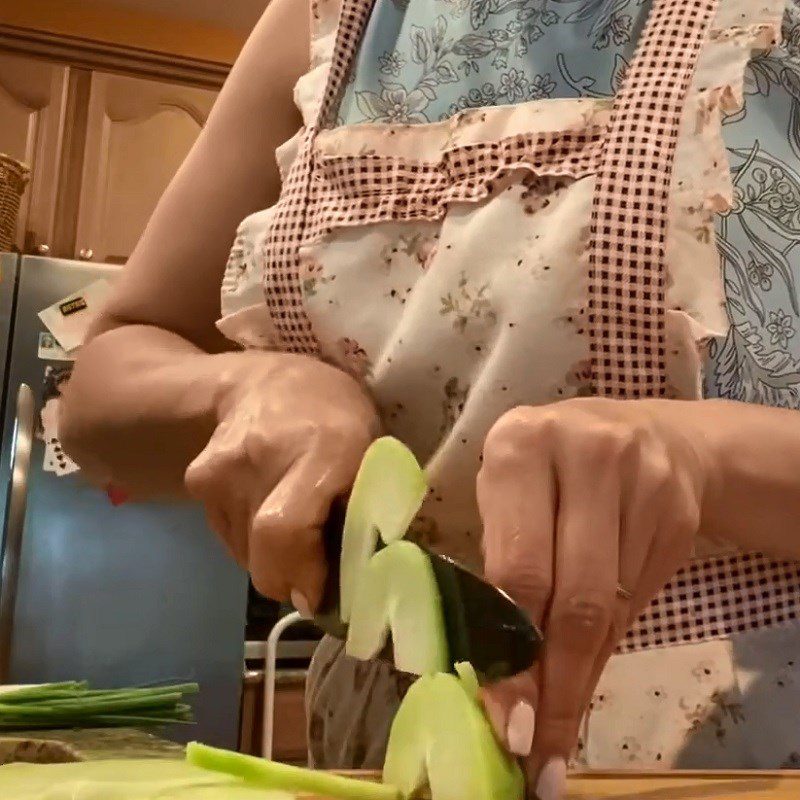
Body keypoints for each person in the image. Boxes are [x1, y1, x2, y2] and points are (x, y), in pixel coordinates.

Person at [60, 0, 800, 797]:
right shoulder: (326, 18)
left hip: (736, 754)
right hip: (383, 748)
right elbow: (103, 382)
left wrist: (702, 456)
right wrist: (242, 385)